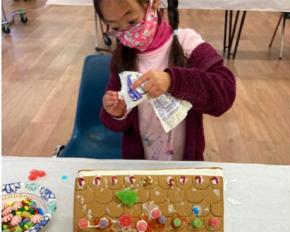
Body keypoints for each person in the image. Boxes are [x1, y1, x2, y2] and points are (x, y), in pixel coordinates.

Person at [93, 0, 236, 160]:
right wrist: (116, 112)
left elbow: (225, 91)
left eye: (132, 21)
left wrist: (172, 80)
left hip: (184, 165)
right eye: (116, 28)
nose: (126, 32)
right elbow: (114, 122)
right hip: (140, 165)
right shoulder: (122, 57)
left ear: (153, 4)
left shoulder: (187, 43)